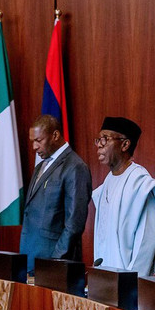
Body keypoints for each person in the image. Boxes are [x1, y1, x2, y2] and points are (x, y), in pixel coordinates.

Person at [92, 116, 155, 276]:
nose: (99, 145)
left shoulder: (139, 183)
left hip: (129, 284)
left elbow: (147, 242)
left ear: (125, 144)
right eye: (98, 140)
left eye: (105, 139)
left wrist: (130, 283)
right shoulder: (107, 182)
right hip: (106, 280)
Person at [20, 115, 91, 274]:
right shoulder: (41, 166)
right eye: (33, 141)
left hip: (53, 264)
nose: (34, 147)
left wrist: (55, 261)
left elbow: (74, 223)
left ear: (55, 136)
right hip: (31, 258)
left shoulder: (75, 167)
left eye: (39, 140)